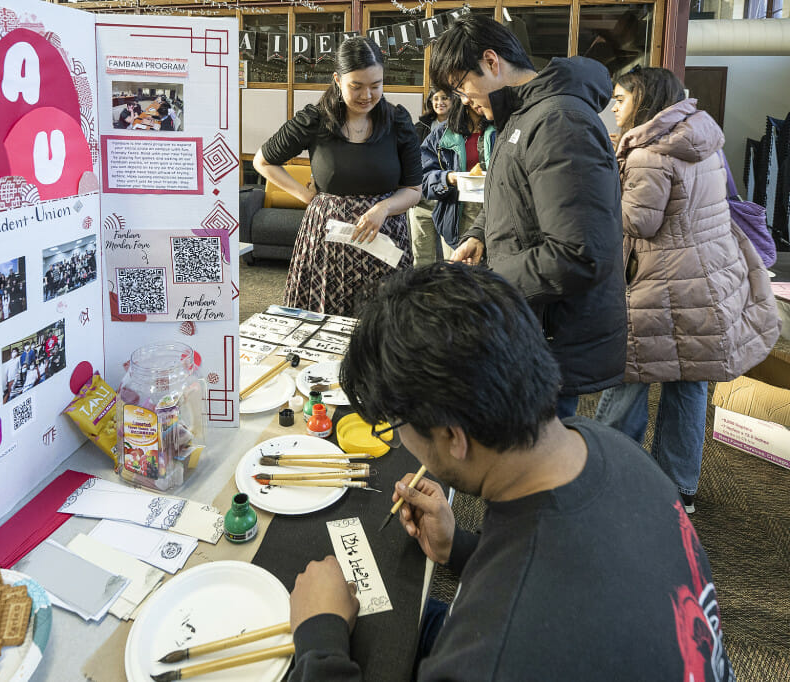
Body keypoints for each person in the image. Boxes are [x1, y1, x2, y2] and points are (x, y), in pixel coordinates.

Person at [288, 263, 734, 681]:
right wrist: (460, 549)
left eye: (399, 425)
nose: (402, 438)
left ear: (453, 436)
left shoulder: (495, 653)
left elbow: (527, 622)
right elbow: (566, 589)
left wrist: (319, 640)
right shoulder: (612, 449)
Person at [594, 66, 779, 513]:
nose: (614, 107)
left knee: (629, 374)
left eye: (620, 98)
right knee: (690, 381)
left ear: (646, 101)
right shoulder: (702, 139)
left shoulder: (646, 153)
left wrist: (601, 192)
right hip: (709, 280)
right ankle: (678, 488)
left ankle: (609, 476)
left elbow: (639, 222)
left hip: (658, 283)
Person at [433, 14, 626, 417]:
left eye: (461, 86)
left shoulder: (558, 121)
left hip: (555, 331)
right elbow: (515, 196)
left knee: (539, 460)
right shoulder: (520, 115)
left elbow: (577, 252)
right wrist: (480, 234)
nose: (462, 99)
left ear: (491, 61)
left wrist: (487, 284)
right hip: (531, 318)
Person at [253, 36, 422, 316]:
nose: (367, 95)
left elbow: (414, 190)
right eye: (356, 86)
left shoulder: (398, 122)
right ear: (337, 80)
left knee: (382, 325)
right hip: (326, 242)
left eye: (375, 86)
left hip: (383, 239)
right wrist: (306, 196)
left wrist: (384, 208)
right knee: (322, 323)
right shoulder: (316, 120)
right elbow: (263, 161)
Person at [419, 94, 496, 259]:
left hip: (496, 213)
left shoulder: (503, 129)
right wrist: (448, 178)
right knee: (460, 276)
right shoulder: (443, 133)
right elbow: (422, 177)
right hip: (457, 214)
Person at [408, 89, 454, 266]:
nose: (440, 102)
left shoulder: (460, 126)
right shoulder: (420, 127)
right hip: (422, 197)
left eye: (444, 98)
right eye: (435, 99)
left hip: (448, 197)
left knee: (452, 256)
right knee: (421, 255)